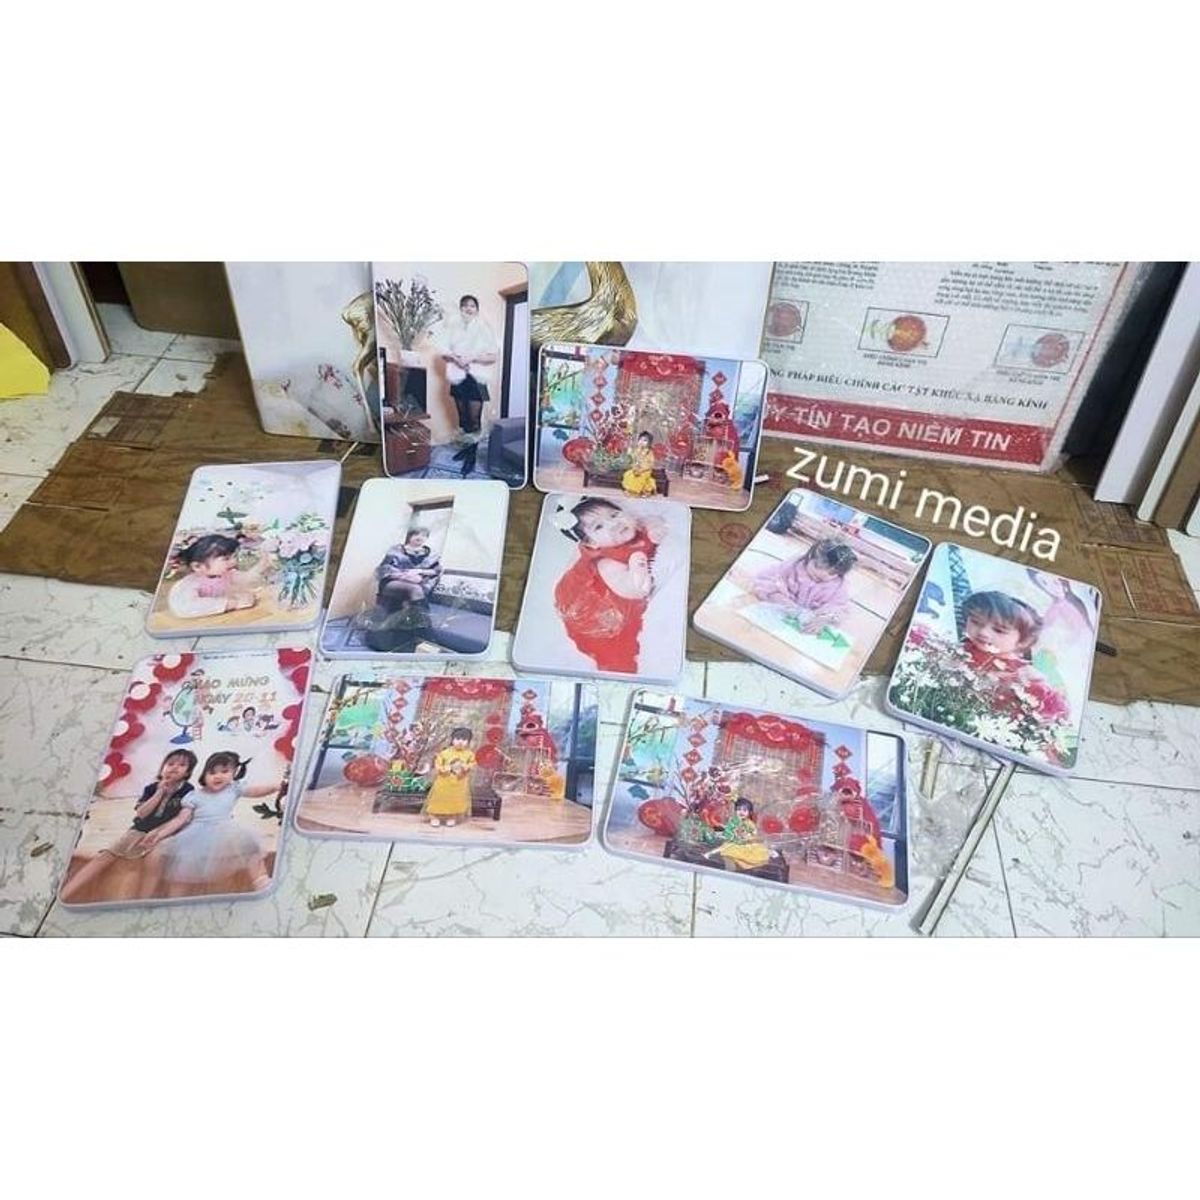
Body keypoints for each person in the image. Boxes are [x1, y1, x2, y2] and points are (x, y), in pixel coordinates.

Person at [60, 749, 198, 902]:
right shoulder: (151, 788)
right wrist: (159, 793)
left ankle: (144, 901)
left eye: (182, 765)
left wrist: (158, 833)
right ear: (162, 768)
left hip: (165, 833)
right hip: (139, 829)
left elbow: (182, 818)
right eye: (170, 764)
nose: (174, 767)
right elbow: (141, 813)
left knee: (148, 861)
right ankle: (66, 892)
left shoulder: (188, 790)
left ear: (187, 772)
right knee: (105, 856)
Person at [142, 751, 279, 897]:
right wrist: (159, 835)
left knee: (251, 848)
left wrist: (276, 786)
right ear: (204, 775)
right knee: (182, 870)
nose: (218, 776)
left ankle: (262, 883)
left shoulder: (233, 789)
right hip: (195, 835)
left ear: (233, 774)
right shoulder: (194, 796)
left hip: (226, 831)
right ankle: (175, 901)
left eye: (224, 772)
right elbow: (179, 820)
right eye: (212, 772)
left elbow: (256, 791)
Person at [552, 497, 666, 673]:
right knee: (619, 652)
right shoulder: (606, 562)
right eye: (598, 526)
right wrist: (638, 562)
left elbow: (654, 521)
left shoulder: (636, 527)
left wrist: (655, 527)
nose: (614, 524)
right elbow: (637, 590)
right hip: (602, 612)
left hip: (622, 585)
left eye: (614, 515)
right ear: (591, 543)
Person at [440, 294, 498, 477]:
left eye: (472, 306)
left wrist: (472, 357)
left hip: (476, 379)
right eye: (465, 305)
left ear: (477, 310)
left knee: (474, 420)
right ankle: (466, 450)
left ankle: (471, 457)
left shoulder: (484, 328)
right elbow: (443, 353)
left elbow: (493, 356)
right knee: (463, 418)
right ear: (460, 309)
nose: (468, 308)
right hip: (458, 377)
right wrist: (454, 358)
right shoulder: (452, 328)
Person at [358, 527, 443, 653]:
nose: (420, 537)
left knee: (415, 590)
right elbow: (383, 569)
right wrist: (403, 576)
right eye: (416, 534)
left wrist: (419, 572)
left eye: (424, 535)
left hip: (417, 583)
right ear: (410, 536)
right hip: (393, 583)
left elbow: (436, 571)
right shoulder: (396, 550)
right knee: (415, 590)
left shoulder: (431, 554)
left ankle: (418, 632)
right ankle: (427, 632)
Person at [751, 538, 857, 632]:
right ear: (809, 557)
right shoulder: (791, 567)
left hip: (800, 630)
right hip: (773, 616)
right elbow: (764, 581)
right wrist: (781, 600)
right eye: (817, 566)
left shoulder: (838, 587)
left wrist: (825, 618)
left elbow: (839, 608)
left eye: (832, 573)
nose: (823, 574)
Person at [167, 534, 257, 620]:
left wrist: (262, 564)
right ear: (198, 566)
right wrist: (233, 604)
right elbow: (184, 607)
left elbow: (247, 578)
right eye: (226, 559)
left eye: (234, 557)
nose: (234, 561)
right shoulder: (189, 584)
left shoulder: (226, 574)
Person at [422, 727, 477, 828]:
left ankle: (452, 816)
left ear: (468, 741)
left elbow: (472, 764)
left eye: (464, 740)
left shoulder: (469, 754)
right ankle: (434, 816)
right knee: (439, 798)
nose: (460, 742)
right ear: (452, 739)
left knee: (456, 800)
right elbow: (438, 765)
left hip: (460, 782)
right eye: (457, 739)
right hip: (444, 781)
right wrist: (446, 769)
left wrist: (466, 767)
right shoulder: (445, 753)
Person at [709, 798, 771, 871]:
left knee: (757, 852)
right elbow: (728, 831)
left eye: (744, 810)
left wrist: (748, 836)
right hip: (734, 843)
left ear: (749, 812)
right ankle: (731, 868)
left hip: (746, 844)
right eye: (739, 809)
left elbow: (753, 833)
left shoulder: (749, 823)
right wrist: (728, 834)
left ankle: (749, 867)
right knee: (729, 852)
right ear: (735, 810)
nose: (741, 812)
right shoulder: (733, 821)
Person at [621, 431, 658, 496]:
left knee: (640, 478)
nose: (642, 442)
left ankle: (637, 492)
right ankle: (630, 490)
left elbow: (650, 464)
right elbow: (633, 460)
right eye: (640, 440)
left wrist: (641, 469)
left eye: (645, 440)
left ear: (649, 443)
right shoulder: (637, 451)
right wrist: (634, 466)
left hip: (645, 470)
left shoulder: (649, 452)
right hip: (636, 469)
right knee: (628, 475)